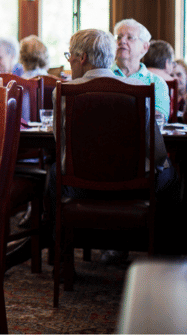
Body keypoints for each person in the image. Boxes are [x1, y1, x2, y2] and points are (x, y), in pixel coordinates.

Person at [56, 28, 176, 262]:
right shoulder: (138, 91)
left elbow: (60, 145)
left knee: (53, 177)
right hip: (134, 185)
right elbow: (157, 151)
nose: (69, 61)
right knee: (169, 176)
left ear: (82, 58)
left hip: (82, 184)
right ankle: (162, 257)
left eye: (68, 55)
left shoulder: (64, 92)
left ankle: (62, 258)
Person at [111, 19, 170, 121]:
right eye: (118, 37)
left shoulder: (156, 82)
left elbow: (159, 119)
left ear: (145, 47)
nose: (122, 41)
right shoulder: (103, 75)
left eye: (130, 37)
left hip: (143, 136)